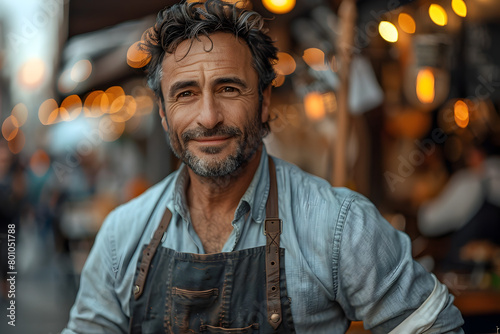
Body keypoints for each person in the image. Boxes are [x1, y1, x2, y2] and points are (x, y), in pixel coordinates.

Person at [63, 1, 464, 333]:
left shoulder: (339, 225)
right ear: (165, 116)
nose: (208, 117)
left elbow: (435, 326)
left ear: (265, 101)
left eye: (229, 88)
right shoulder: (122, 235)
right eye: (185, 93)